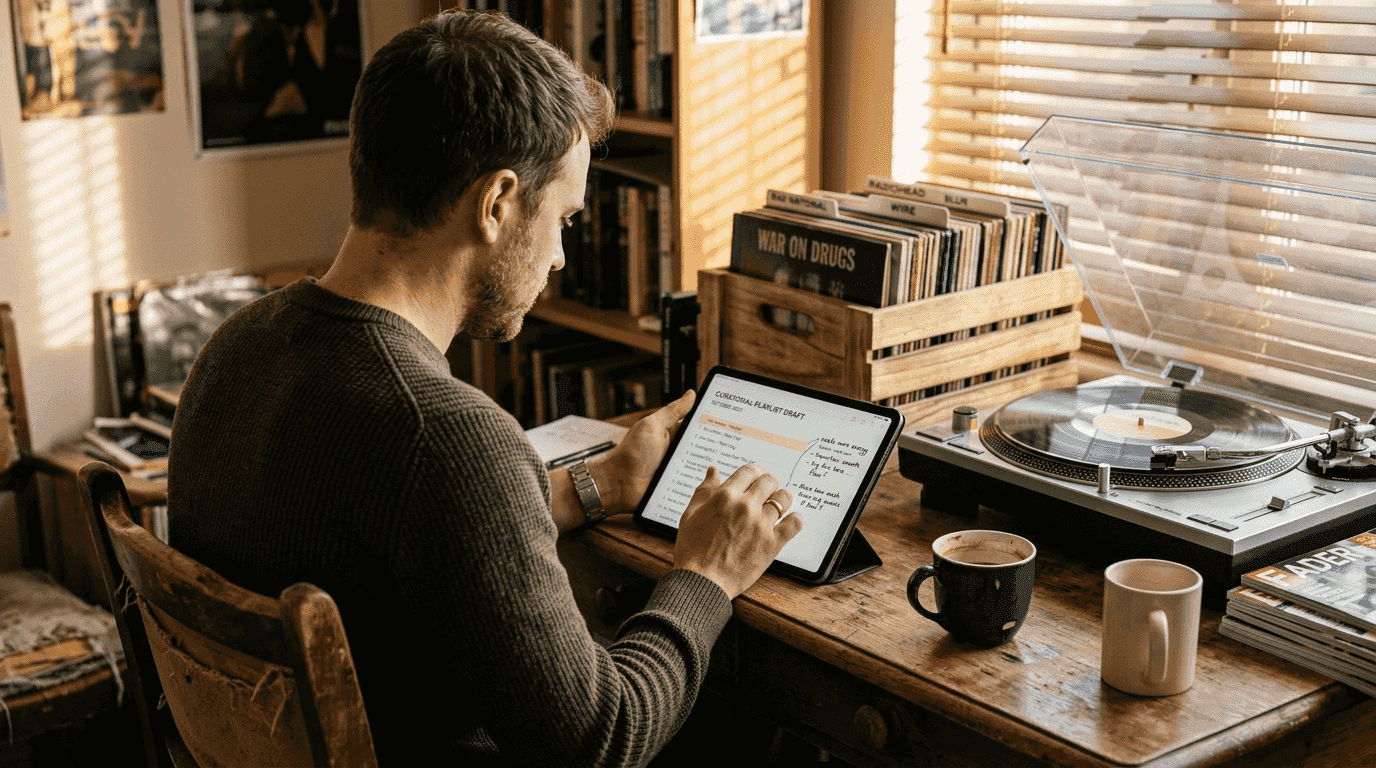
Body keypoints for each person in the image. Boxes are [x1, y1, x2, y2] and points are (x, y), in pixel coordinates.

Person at [168, 9, 803, 766]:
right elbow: (602, 740)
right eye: (564, 217)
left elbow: (413, 535)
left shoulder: (235, 348)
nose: (563, 256)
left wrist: (597, 485)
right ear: (497, 203)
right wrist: (708, 570)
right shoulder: (445, 437)